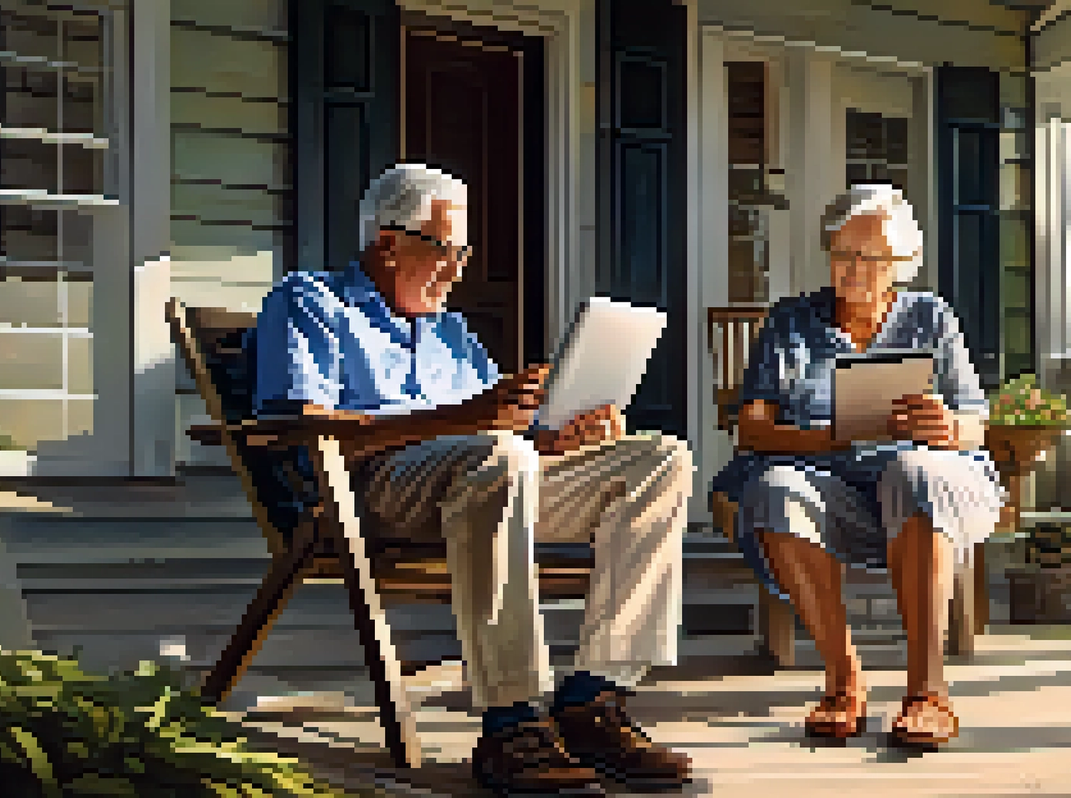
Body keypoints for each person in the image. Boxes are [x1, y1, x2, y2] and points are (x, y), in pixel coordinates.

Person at [250, 163, 695, 795]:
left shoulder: (451, 333)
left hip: (484, 486)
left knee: (659, 459)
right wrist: (477, 421)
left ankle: (593, 701)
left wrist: (562, 436)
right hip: (367, 491)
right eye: (445, 250)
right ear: (387, 241)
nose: (459, 269)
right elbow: (302, 420)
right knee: (498, 456)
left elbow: (506, 436)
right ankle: (511, 720)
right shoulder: (311, 301)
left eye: (465, 253)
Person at [711, 184, 1005, 747]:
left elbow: (975, 421)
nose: (854, 268)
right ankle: (844, 680)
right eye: (843, 253)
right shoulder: (792, 320)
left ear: (903, 263)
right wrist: (830, 438)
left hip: (917, 479)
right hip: (823, 476)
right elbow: (751, 427)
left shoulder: (931, 316)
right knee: (773, 489)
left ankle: (927, 692)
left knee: (915, 474)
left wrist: (949, 428)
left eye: (870, 257)